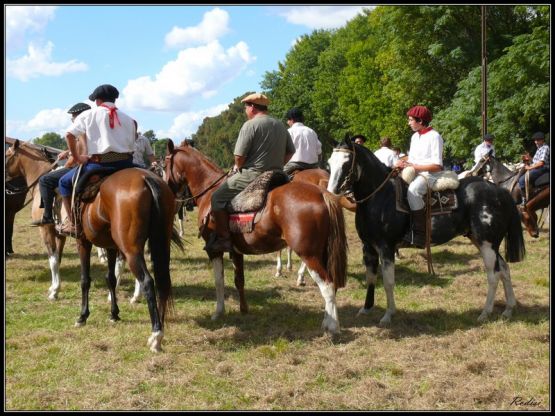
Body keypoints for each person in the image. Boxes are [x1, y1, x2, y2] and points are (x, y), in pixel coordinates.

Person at [205, 92, 296, 253]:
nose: (245, 110)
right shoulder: (280, 125)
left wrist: (239, 167)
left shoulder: (250, 125)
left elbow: (239, 156)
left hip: (253, 174)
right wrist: (278, 164)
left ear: (252, 107)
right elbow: (290, 152)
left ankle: (224, 239)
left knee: (217, 197)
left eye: (246, 106)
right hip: (278, 174)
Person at [57, 84, 136, 236]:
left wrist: (78, 157)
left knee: (64, 183)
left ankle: (73, 224)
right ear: (114, 100)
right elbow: (132, 146)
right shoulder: (129, 119)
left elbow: (69, 135)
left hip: (99, 165)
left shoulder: (88, 115)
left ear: (98, 101)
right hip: (126, 164)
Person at [31, 103, 91, 226]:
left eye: (73, 116)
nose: (73, 119)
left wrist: (68, 161)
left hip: (81, 166)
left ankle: (48, 216)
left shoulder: (81, 130)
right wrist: (68, 151)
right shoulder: (94, 127)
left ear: (80, 116)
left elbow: (78, 156)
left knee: (44, 180)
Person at [395, 105, 443, 248]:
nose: (408, 122)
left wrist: (413, 167)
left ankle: (421, 234)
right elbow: (413, 158)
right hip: (414, 172)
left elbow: (437, 165)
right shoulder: (415, 137)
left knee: (413, 192)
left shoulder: (435, 136)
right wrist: (402, 161)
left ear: (420, 121)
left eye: (411, 120)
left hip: (431, 175)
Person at [282, 107, 322, 176]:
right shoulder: (312, 132)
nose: (287, 122)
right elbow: (319, 152)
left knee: (274, 180)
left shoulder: (289, 132)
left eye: (288, 120)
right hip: (313, 167)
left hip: (294, 165)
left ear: (292, 119)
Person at [518, 131, 550, 206]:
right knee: (519, 174)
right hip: (537, 167)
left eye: (538, 140)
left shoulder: (545, 148)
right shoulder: (539, 148)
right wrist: (529, 158)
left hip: (543, 168)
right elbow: (535, 161)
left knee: (522, 180)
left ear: (542, 140)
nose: (536, 142)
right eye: (535, 140)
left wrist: (530, 167)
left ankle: (524, 200)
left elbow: (541, 163)